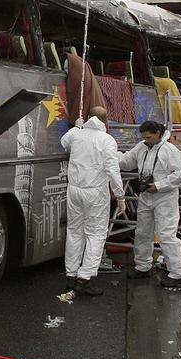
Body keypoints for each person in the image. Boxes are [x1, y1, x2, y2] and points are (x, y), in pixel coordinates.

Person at [59, 106, 125, 296]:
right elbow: (112, 169)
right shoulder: (107, 140)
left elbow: (64, 142)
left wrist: (76, 127)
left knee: (74, 232)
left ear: (88, 118)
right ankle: (84, 278)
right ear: (105, 121)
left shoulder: (76, 134)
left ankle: (71, 275)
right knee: (95, 234)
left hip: (74, 190)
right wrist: (120, 195)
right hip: (95, 192)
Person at [119, 120, 181, 287]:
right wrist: (109, 154)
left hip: (165, 198)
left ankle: (178, 273)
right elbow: (127, 161)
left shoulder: (170, 150)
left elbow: (180, 175)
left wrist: (158, 186)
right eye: (144, 137)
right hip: (147, 196)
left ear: (158, 133)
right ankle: (142, 266)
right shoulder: (142, 147)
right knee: (142, 232)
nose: (146, 140)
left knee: (166, 235)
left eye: (148, 137)